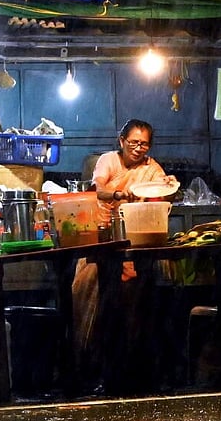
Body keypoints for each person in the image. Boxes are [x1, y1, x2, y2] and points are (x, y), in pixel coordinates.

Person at [71, 119, 177, 392]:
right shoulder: (108, 161)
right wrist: (120, 192)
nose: (139, 148)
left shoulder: (151, 168)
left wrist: (169, 185)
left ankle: (131, 370)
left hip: (137, 241)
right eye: (134, 143)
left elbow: (163, 194)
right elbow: (99, 190)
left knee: (133, 304)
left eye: (144, 144)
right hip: (103, 237)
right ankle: (90, 366)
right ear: (121, 141)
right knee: (92, 295)